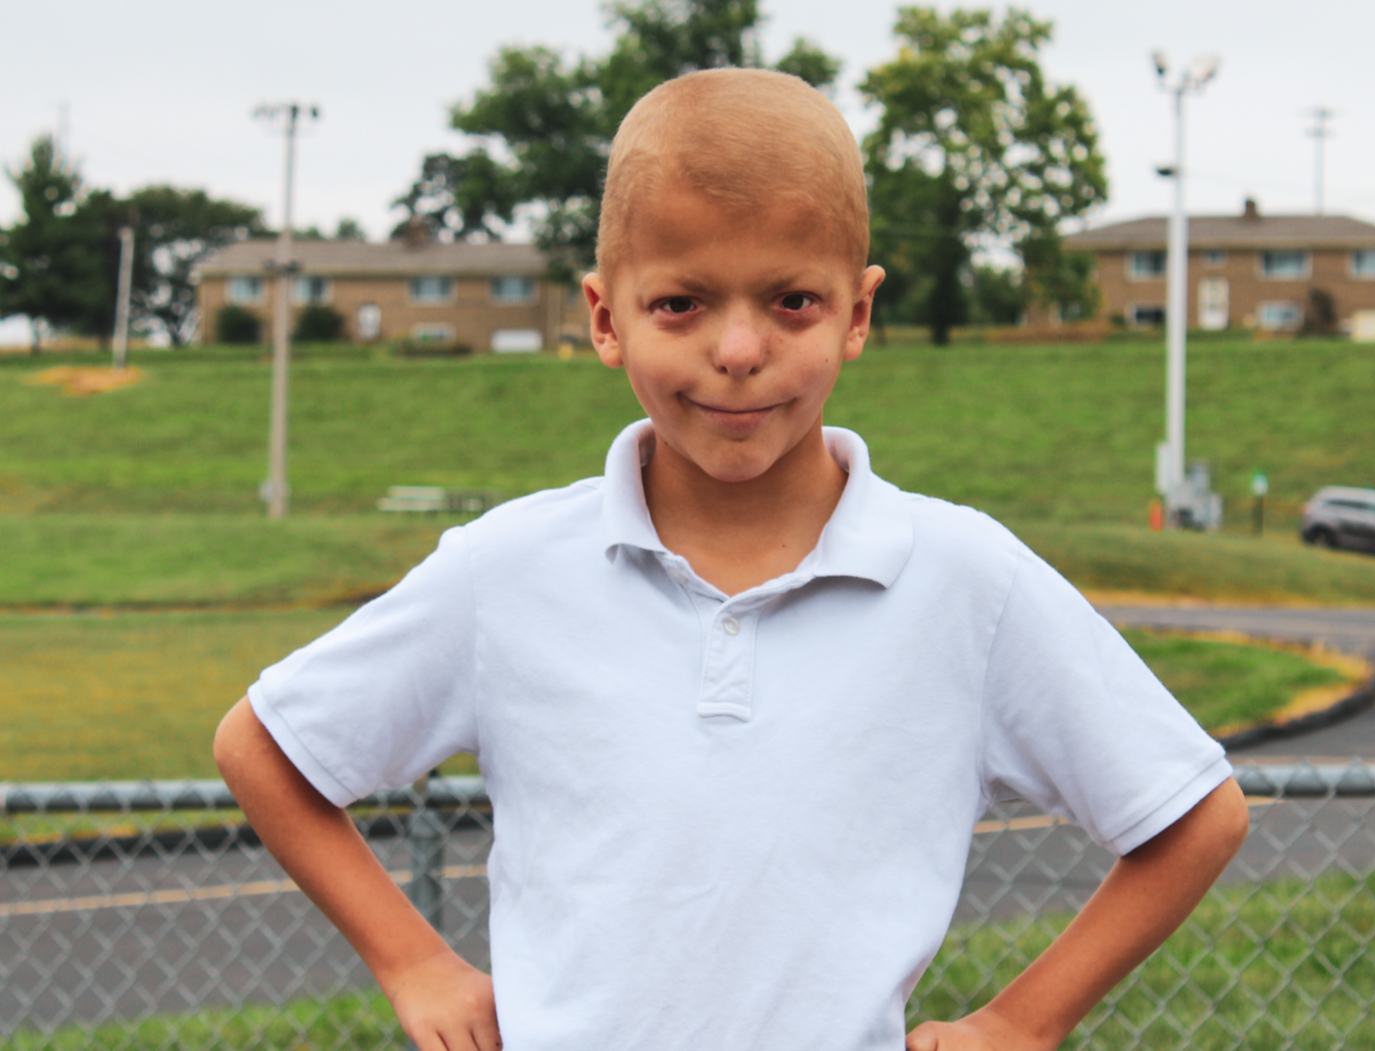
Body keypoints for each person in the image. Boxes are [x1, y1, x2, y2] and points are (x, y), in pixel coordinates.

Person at [214, 68, 1249, 1051]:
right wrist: (415, 966)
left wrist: (1023, 1021)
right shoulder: (508, 569)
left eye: (792, 301)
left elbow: (1195, 813)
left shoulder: (965, 578)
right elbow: (264, 747)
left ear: (859, 314)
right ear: (606, 319)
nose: (740, 348)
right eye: (682, 303)